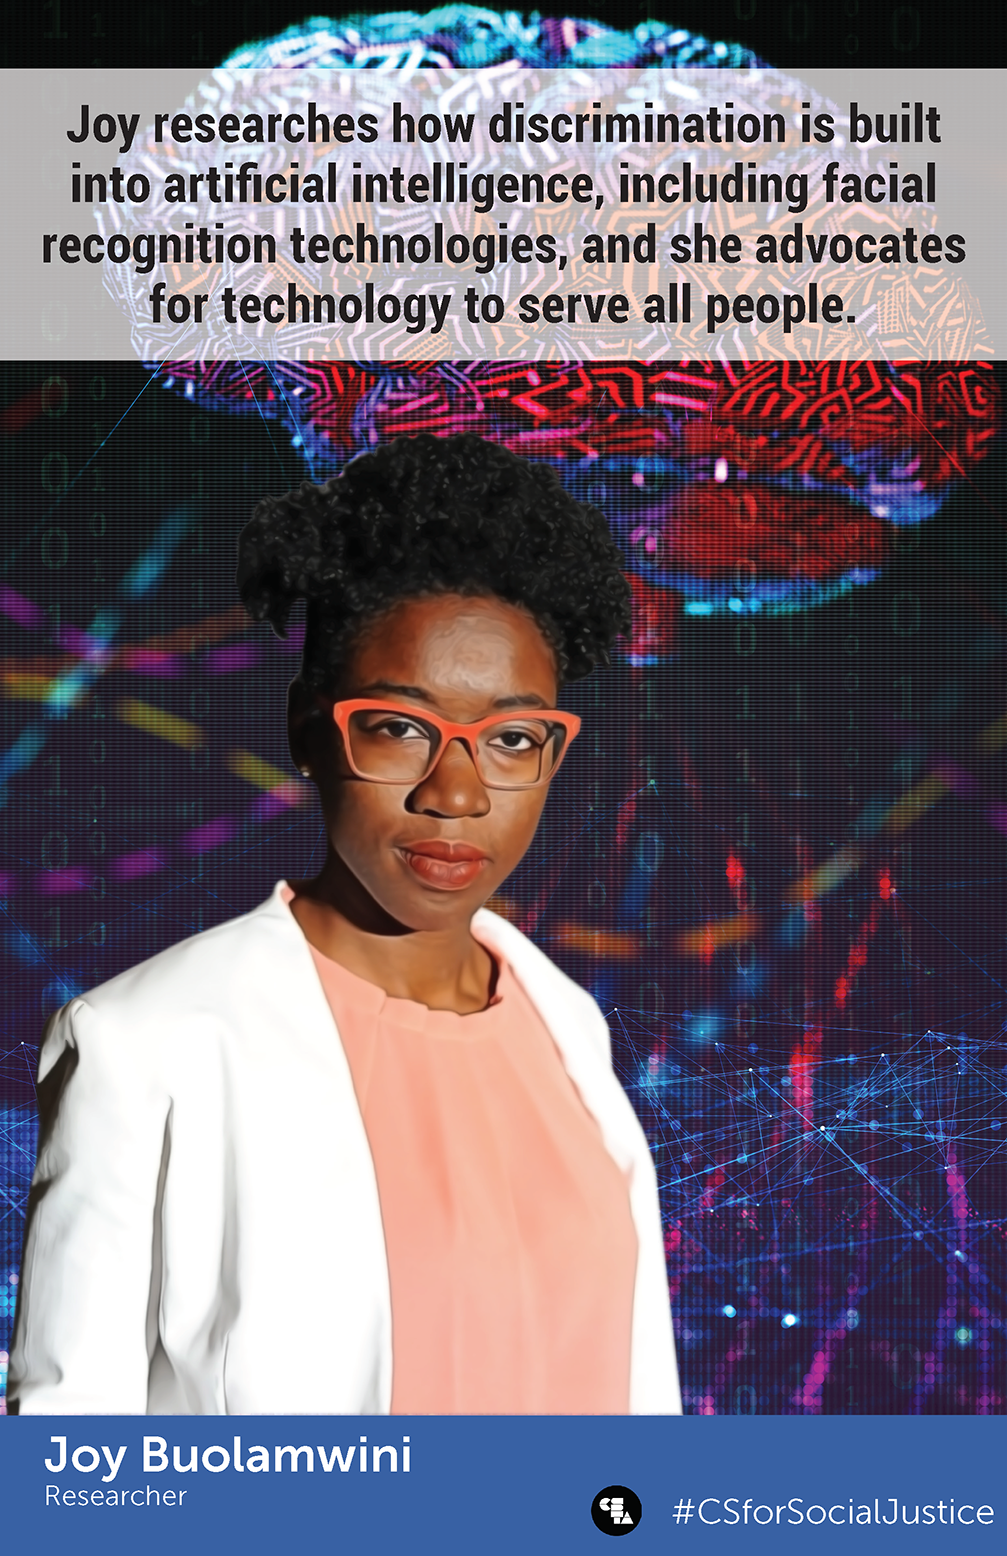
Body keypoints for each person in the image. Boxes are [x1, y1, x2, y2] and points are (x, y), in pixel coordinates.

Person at [9, 432, 680, 1416]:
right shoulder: (142, 1042)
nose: (454, 792)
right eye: (400, 726)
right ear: (308, 727)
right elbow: (66, 1456)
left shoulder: (567, 1027)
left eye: (509, 737)